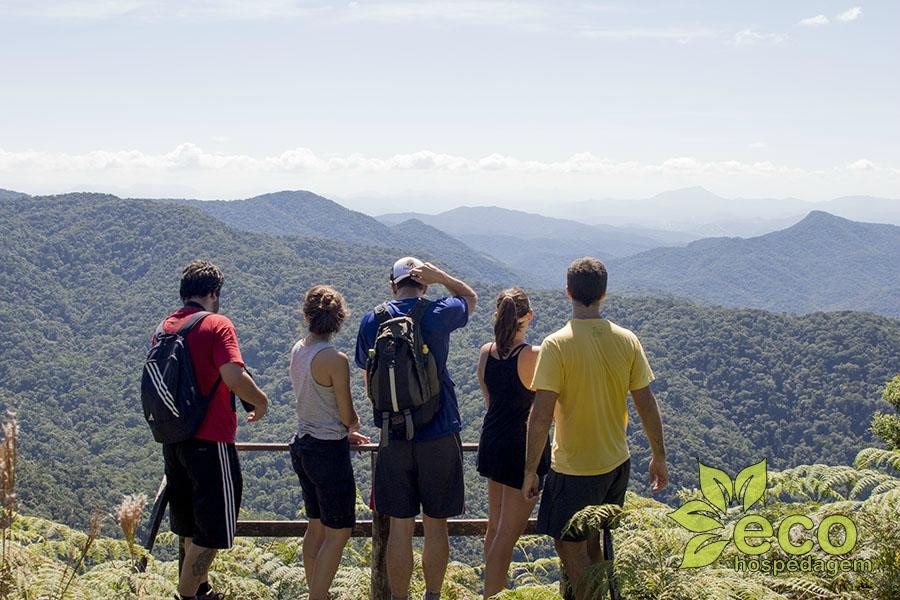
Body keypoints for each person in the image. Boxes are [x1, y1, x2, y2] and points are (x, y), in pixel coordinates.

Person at [522, 257, 668, 600]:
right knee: (592, 542)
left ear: (568, 292)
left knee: (568, 546)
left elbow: (541, 415)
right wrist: (659, 455)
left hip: (575, 467)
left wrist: (530, 470)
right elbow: (646, 402)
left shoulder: (557, 344)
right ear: (603, 293)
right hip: (617, 463)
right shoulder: (627, 339)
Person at [355, 257, 477, 600]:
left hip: (392, 435)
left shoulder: (372, 320)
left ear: (393, 285)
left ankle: (399, 598)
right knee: (436, 524)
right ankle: (433, 595)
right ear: (422, 284)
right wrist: (442, 276)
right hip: (438, 429)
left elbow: (368, 372)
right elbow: (470, 298)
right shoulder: (436, 312)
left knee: (400, 527)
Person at [161, 260, 269, 600]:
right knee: (215, 530)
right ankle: (186, 595)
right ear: (213, 293)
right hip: (211, 440)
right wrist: (261, 402)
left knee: (192, 525)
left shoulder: (166, 327)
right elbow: (233, 376)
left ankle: (202, 588)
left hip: (174, 439)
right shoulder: (217, 324)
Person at [288, 285, 369, 600]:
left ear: (307, 315)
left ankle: (315, 589)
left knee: (316, 525)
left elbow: (311, 398)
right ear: (338, 319)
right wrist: (352, 425)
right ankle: (318, 596)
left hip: (302, 444)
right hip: (327, 451)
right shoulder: (335, 359)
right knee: (339, 532)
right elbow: (346, 412)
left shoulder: (299, 349)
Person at [476, 288, 550, 599]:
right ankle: (492, 595)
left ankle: (493, 590)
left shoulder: (486, 352)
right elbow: (547, 411)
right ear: (528, 316)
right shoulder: (532, 356)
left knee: (495, 528)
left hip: (492, 441)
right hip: (522, 449)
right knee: (508, 534)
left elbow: (489, 399)